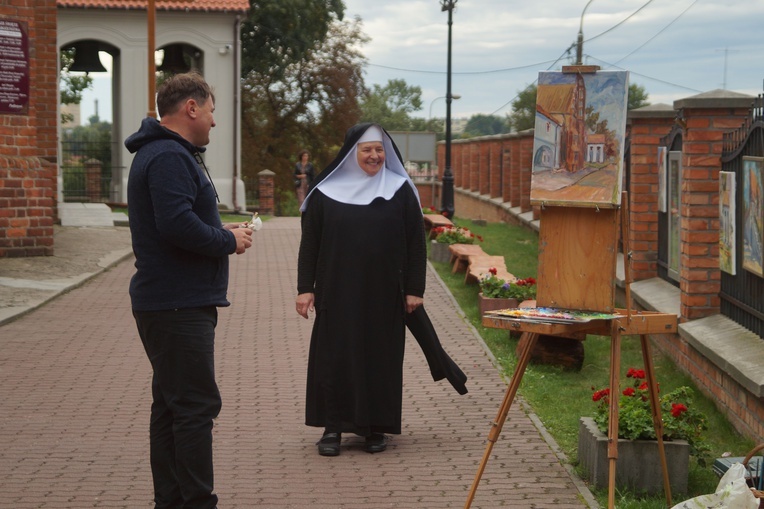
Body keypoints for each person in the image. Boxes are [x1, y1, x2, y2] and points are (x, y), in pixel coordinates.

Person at [295, 123, 466, 458]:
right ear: (351, 153)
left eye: (378, 150)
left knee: (380, 359)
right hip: (336, 290)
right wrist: (305, 289)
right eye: (366, 150)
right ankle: (333, 428)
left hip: (385, 292)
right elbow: (310, 245)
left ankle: (374, 428)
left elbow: (415, 245)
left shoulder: (400, 189)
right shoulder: (325, 192)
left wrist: (415, 289)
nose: (374, 156)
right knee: (335, 359)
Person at [125, 71, 253, 508]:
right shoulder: (167, 156)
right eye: (212, 111)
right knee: (196, 409)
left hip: (172, 302)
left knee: (172, 408)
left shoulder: (169, 153)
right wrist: (226, 241)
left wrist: (219, 229)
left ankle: (172, 501)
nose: (215, 122)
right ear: (191, 108)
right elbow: (176, 225)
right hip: (177, 305)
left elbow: (178, 218)